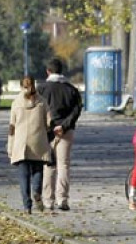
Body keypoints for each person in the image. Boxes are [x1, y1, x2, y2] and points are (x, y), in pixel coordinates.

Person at [37, 58, 82, 211]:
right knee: (64, 165)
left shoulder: (42, 89)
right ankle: (62, 199)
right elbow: (77, 110)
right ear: (62, 71)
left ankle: (48, 200)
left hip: (47, 132)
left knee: (48, 165)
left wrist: (50, 126)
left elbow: (39, 110)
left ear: (48, 71)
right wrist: (64, 126)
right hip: (66, 131)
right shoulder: (71, 89)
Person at [7, 76, 52, 214]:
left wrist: (10, 146)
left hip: (21, 144)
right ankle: (37, 191)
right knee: (38, 170)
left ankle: (27, 206)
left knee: (23, 176)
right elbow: (49, 123)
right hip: (38, 141)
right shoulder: (42, 102)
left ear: (21, 87)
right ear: (34, 85)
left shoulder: (16, 103)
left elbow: (12, 126)